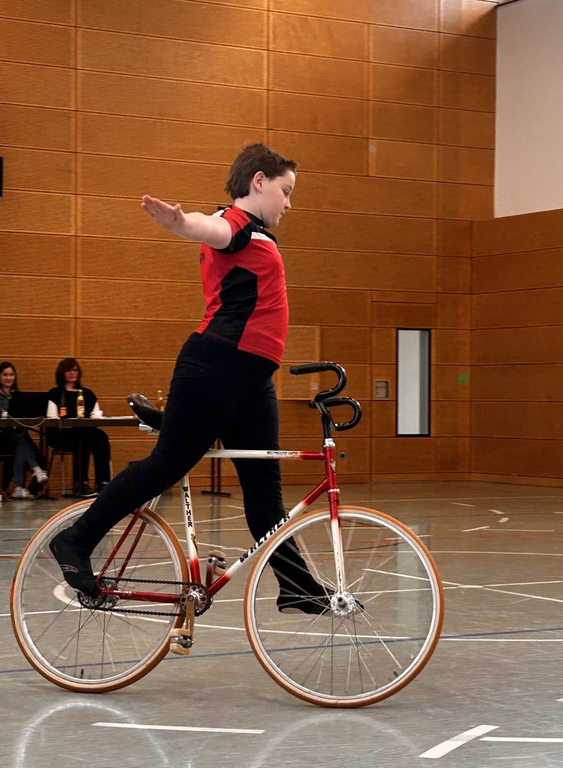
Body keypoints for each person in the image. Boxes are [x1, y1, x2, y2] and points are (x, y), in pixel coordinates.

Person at [50, 142, 328, 614]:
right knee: (166, 464)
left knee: (265, 492)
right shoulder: (235, 223)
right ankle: (75, 540)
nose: (288, 203)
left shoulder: (255, 233)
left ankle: (296, 585)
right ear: (259, 182)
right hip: (217, 367)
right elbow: (211, 228)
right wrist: (180, 223)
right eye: (285, 191)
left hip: (252, 379)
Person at [46, 358, 111, 498]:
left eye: (75, 370)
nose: (72, 373)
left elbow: (95, 415)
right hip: (63, 434)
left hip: (84, 432)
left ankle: (103, 481)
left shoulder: (87, 394)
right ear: (61, 373)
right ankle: (81, 483)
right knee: (82, 438)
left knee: (101, 436)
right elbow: (51, 417)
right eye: (68, 370)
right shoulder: (55, 393)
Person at [0, 361, 48, 499]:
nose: (8, 378)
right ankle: (36, 470)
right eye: (5, 375)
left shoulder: (18, 396)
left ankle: (22, 489)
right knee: (19, 439)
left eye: (11, 375)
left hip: (17, 436)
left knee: (25, 447)